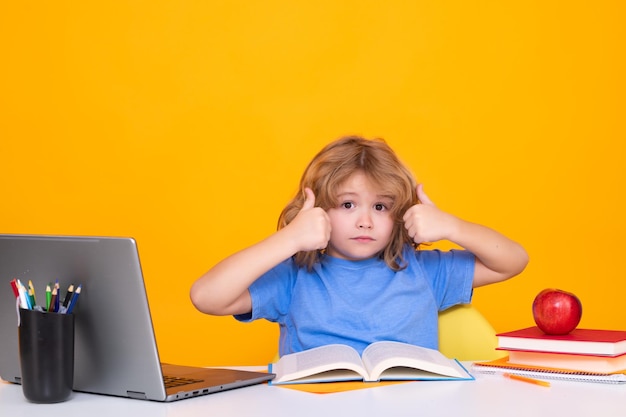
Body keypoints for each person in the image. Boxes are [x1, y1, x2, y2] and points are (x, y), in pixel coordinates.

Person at [190, 136, 528, 357]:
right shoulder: (294, 279)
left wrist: (452, 226)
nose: (365, 221)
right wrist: (289, 239)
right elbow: (206, 296)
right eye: (347, 205)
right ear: (320, 210)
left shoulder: (424, 271)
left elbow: (513, 260)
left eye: (380, 207)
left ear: (399, 214)